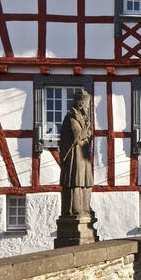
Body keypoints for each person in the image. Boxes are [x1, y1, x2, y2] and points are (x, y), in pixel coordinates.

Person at [59, 90, 93, 218]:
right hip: (75, 156)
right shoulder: (70, 118)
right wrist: (86, 130)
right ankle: (76, 209)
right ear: (80, 105)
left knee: (86, 181)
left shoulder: (83, 119)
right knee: (76, 181)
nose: (88, 107)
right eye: (86, 104)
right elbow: (77, 136)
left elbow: (86, 136)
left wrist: (87, 130)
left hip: (83, 155)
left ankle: (85, 207)